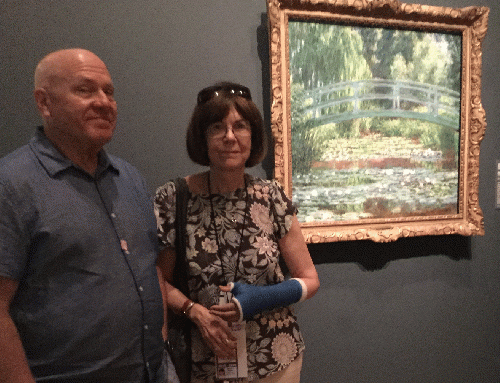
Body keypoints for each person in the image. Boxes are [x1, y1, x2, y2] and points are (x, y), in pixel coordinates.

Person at [0, 48, 166, 382]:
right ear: (44, 102)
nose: (104, 102)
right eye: (85, 90)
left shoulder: (129, 178)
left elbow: (152, 265)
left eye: (109, 92)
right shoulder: (11, 184)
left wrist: (161, 340)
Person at [155, 82, 320, 382]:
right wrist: (194, 311)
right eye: (217, 127)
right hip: (204, 363)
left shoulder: (271, 197)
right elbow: (158, 281)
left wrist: (262, 297)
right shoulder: (173, 198)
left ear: (252, 136)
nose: (230, 137)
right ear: (202, 137)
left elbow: (310, 280)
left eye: (240, 126)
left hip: (276, 360)